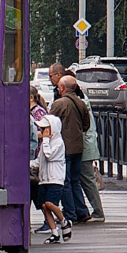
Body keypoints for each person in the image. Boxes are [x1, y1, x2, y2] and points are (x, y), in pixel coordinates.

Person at [50, 74, 91, 224]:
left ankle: (70, 213)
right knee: (75, 181)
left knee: (64, 182)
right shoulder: (81, 103)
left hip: (63, 149)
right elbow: (86, 125)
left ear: (62, 88)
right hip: (78, 148)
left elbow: (50, 125)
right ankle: (82, 211)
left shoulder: (59, 104)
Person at [33, 113, 71, 243]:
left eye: (45, 129)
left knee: (50, 203)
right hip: (44, 179)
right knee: (44, 206)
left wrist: (45, 140)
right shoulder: (46, 144)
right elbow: (39, 161)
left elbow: (49, 155)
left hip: (55, 179)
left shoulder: (58, 143)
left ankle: (64, 221)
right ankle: (54, 232)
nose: (42, 131)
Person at [78, 82, 106, 223]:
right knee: (86, 179)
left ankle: (98, 211)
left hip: (85, 147)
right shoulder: (84, 103)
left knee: (88, 180)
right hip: (86, 146)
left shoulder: (82, 104)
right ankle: (89, 210)